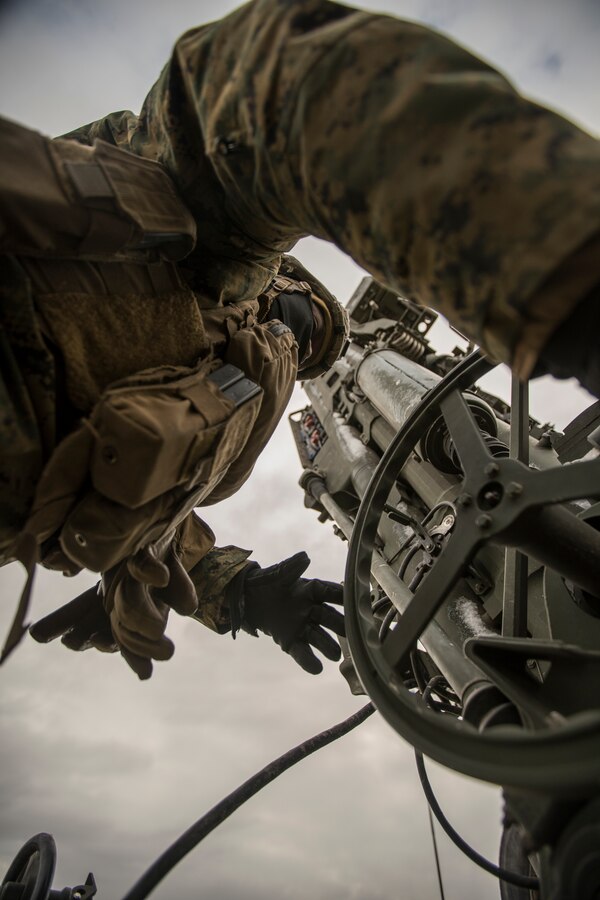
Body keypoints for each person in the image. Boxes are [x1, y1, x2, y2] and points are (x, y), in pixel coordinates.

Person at [1, 0, 599, 677]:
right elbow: (281, 84)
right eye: (287, 313)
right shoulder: (188, 252)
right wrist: (568, 265)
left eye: (303, 339)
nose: (287, 334)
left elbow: (137, 494)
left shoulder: (206, 389)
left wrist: (233, 591)